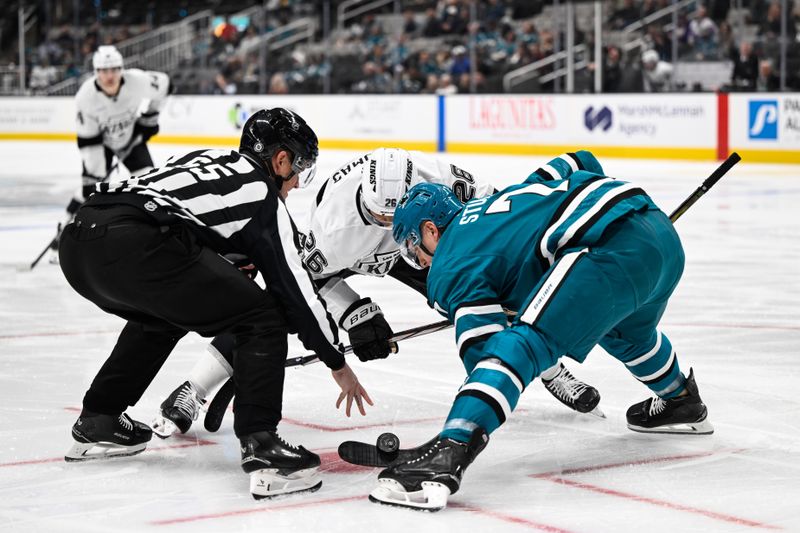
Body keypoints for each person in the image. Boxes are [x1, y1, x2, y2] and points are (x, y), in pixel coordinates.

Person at [153, 148, 603, 439]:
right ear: (367, 204)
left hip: (425, 238)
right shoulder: (332, 229)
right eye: (381, 218)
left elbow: (499, 213)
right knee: (275, 309)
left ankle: (549, 367)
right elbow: (307, 285)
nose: (389, 226)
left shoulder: (442, 178)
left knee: (496, 284)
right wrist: (355, 313)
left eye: (395, 216)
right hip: (353, 255)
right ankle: (194, 389)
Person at [373, 150, 713, 511]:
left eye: (413, 247)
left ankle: (445, 458)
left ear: (430, 229)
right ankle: (680, 400)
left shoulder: (449, 263)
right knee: (627, 335)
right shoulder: (499, 199)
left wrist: (511, 323)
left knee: (526, 342)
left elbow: (488, 355)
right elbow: (580, 160)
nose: (419, 261)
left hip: (610, 249)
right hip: (657, 232)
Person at [59, 108, 372, 500]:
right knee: (265, 318)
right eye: (298, 168)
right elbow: (297, 294)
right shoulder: (264, 197)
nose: (294, 184)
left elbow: (188, 225)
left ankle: (100, 420)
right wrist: (336, 362)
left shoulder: (204, 159)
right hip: (139, 244)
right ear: (280, 159)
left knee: (162, 315)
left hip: (79, 241)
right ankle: (263, 448)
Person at [51, 45, 172, 264]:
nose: (110, 75)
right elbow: (88, 141)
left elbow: (165, 84)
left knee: (149, 182)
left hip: (130, 137)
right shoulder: (85, 98)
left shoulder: (137, 81)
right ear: (96, 72)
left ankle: (151, 232)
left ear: (122, 69)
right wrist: (94, 174)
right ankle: (66, 226)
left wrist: (150, 118)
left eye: (115, 69)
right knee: (90, 189)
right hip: (101, 144)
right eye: (104, 71)